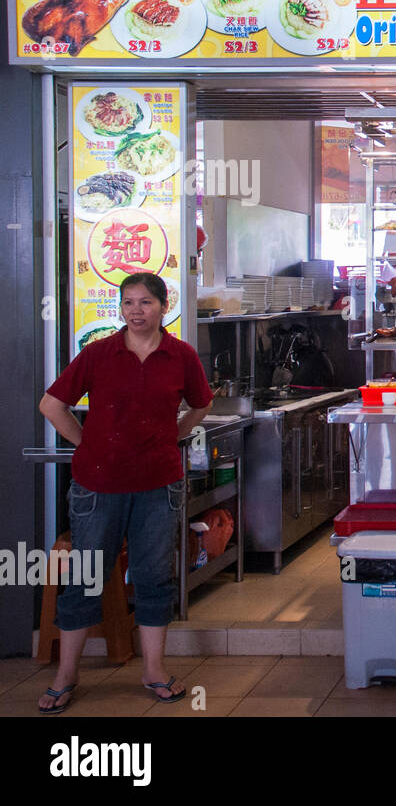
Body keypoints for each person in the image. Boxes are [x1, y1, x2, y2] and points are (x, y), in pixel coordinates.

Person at [37, 272, 212, 714]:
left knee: (154, 579)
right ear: (121, 308)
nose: (136, 311)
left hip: (158, 485)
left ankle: (154, 669)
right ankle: (65, 676)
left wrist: (174, 435)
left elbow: (202, 402)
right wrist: (85, 443)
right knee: (85, 579)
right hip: (98, 487)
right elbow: (51, 404)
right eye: (129, 303)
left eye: (145, 303)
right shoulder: (98, 353)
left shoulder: (180, 355)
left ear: (162, 305)